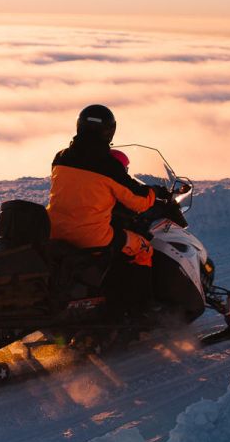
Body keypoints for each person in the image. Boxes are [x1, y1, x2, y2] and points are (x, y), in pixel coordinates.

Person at [47, 105, 173, 317]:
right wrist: (153, 192)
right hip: (90, 237)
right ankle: (139, 310)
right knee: (143, 249)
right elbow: (139, 201)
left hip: (54, 231)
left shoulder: (61, 157)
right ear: (109, 132)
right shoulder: (108, 166)